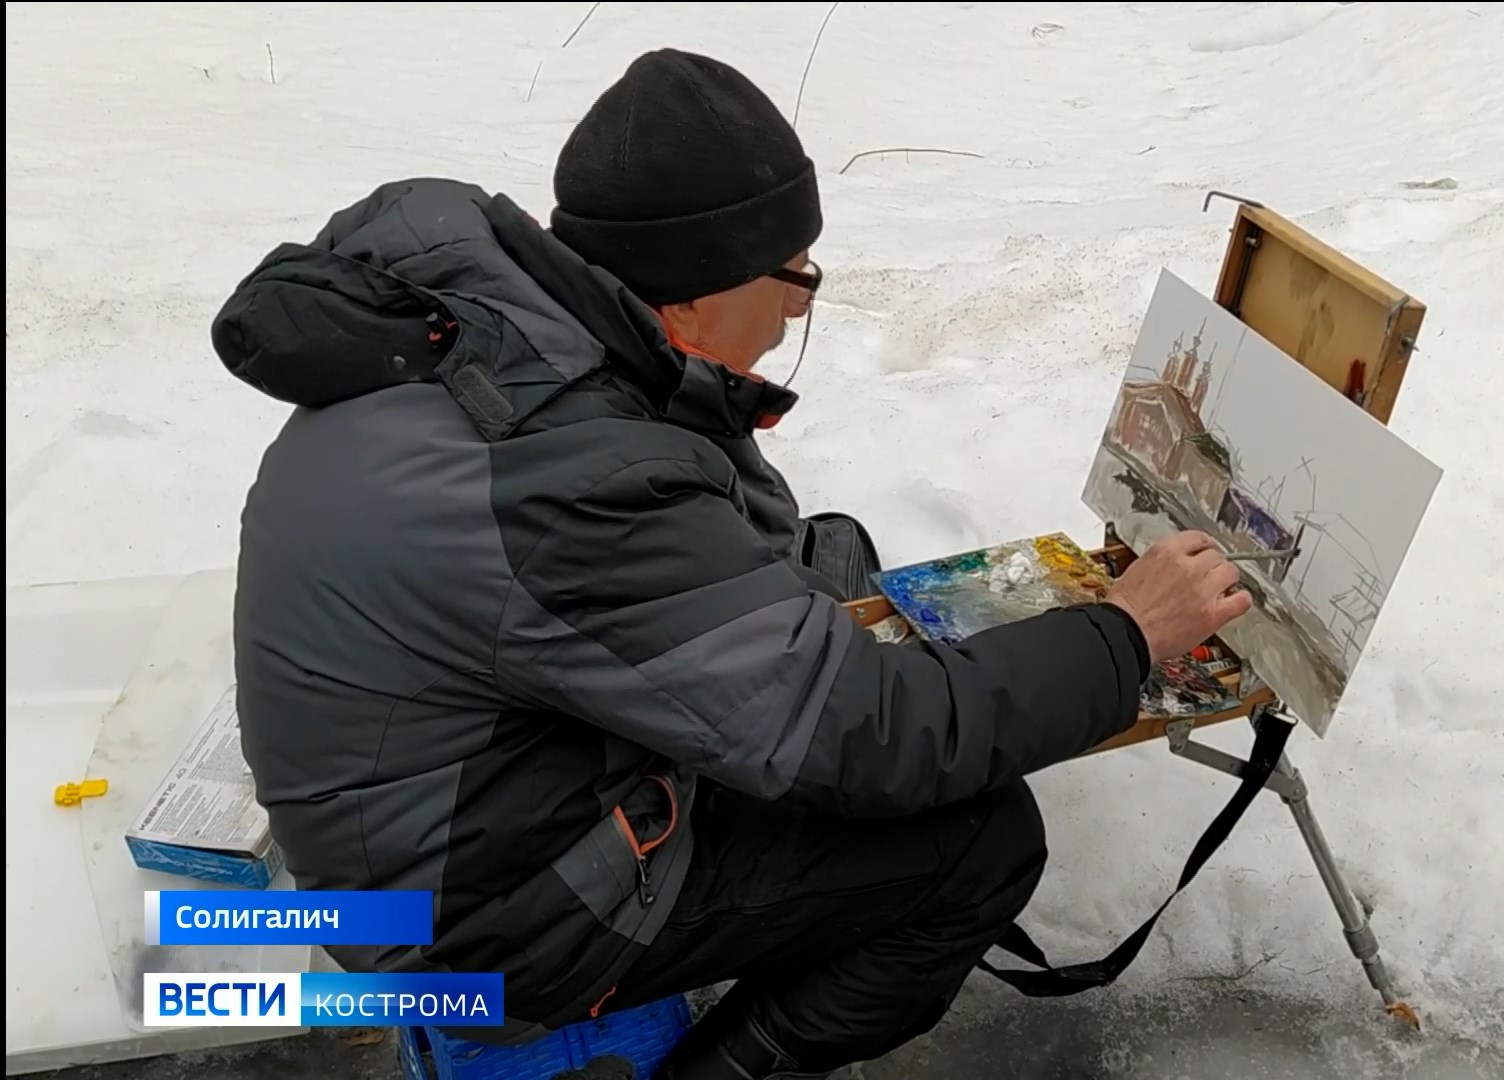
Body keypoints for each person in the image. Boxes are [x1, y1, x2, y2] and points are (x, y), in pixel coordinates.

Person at [214, 48, 1250, 1080]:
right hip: (469, 932)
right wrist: (1126, 636)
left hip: (429, 807)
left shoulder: (492, 330)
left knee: (834, 562)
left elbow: (673, 561)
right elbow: (868, 742)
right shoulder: (571, 482)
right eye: (794, 274)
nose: (800, 307)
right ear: (698, 293)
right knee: (975, 845)